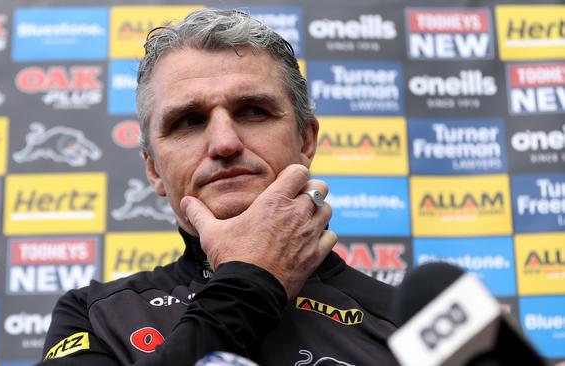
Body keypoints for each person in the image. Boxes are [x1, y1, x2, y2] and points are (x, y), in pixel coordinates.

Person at [42, 9, 398, 365]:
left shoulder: (410, 321)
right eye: (189, 121)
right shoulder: (93, 316)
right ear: (153, 168)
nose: (224, 143)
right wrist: (252, 282)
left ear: (306, 140)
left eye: (253, 111)